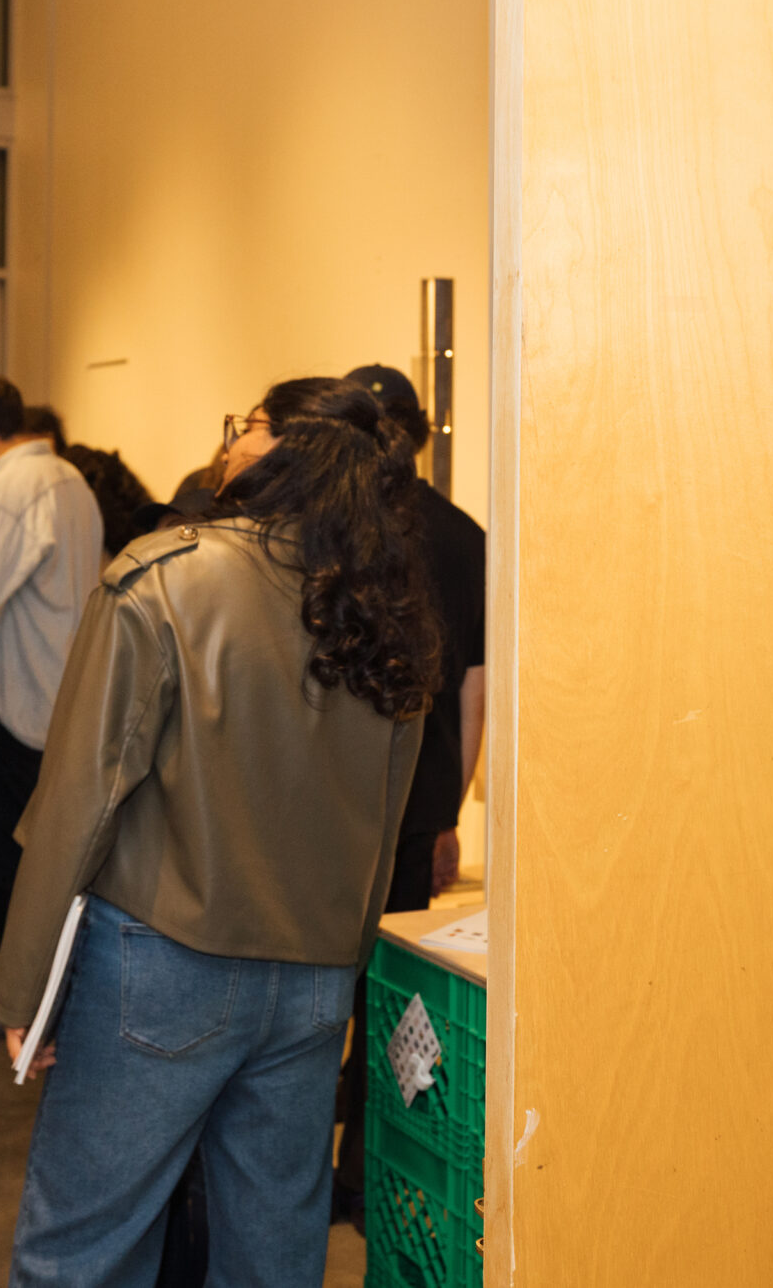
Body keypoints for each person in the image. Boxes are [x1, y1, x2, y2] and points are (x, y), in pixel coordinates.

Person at [0, 377, 440, 1288]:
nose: (232, 445)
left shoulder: (165, 579)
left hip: (163, 962)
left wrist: (25, 990)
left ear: (286, 450)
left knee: (84, 1243)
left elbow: (81, 799)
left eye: (247, 428)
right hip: (314, 978)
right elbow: (386, 815)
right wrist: (340, 964)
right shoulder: (388, 607)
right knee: (274, 1249)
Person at [330, 364, 489, 1224]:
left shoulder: (334, 531)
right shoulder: (466, 538)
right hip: (417, 801)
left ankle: (301, 1169)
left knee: (315, 992)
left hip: (327, 808)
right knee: (389, 992)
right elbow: (474, 692)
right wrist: (448, 813)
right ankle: (370, 1169)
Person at [0, 378, 103, 1030]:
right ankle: (32, 981)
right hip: (59, 694)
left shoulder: (6, 488)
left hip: (6, 698)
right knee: (50, 861)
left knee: (7, 859)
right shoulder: (69, 478)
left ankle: (16, 1004)